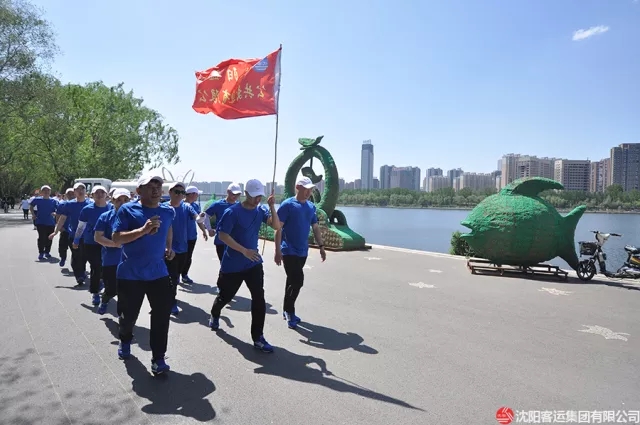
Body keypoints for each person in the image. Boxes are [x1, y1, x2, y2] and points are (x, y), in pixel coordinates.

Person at [112, 174, 176, 375]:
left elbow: (168, 229)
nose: (155, 189)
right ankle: (125, 339)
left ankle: (158, 359)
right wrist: (143, 230)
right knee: (128, 317)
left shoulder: (168, 211)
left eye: (158, 185)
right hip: (131, 274)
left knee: (161, 317)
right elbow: (116, 238)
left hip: (158, 273)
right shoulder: (127, 210)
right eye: (150, 186)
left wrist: (169, 247)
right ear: (139, 190)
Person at [207, 179, 281, 353]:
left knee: (259, 298)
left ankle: (258, 337)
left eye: (260, 196)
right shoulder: (232, 212)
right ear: (246, 194)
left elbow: (276, 226)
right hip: (233, 264)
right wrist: (243, 251)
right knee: (225, 296)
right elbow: (223, 236)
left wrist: (272, 206)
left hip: (253, 262)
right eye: (254, 196)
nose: (257, 199)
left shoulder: (261, 210)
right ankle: (215, 313)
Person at [274, 177, 327, 329]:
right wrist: (277, 250)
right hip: (288, 249)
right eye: (306, 189)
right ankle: (290, 312)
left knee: (291, 281)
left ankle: (286, 309)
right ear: (298, 187)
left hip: (303, 251)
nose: (309, 192)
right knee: (298, 281)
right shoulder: (288, 205)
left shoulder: (311, 206)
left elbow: (315, 227)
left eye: (311, 189)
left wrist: (321, 246)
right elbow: (278, 228)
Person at [164, 182, 207, 315]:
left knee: (176, 276)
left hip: (183, 248)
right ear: (170, 192)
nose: (180, 195)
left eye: (182, 192)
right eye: (177, 192)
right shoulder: (163, 208)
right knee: (171, 277)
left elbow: (197, 218)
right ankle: (171, 302)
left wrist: (202, 219)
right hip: (168, 249)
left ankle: (168, 296)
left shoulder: (187, 207)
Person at [74, 185, 113, 305]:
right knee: (96, 266)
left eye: (102, 192)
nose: (100, 195)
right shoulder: (87, 209)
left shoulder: (112, 208)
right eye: (97, 193)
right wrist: (76, 240)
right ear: (92, 195)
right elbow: (81, 226)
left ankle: (103, 283)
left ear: (106, 194)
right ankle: (95, 292)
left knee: (106, 268)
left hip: (108, 243)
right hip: (91, 243)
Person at [94, 188, 130, 315]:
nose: (122, 203)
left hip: (129, 260)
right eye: (119, 200)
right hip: (110, 260)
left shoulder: (134, 216)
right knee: (111, 289)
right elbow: (98, 237)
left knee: (126, 291)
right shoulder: (105, 217)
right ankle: (105, 300)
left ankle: (124, 317)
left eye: (125, 200)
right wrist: (115, 244)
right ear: (113, 200)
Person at [50, 183, 90, 285]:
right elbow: (62, 218)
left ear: (85, 191)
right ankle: (79, 276)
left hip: (88, 236)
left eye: (82, 189)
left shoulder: (91, 203)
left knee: (84, 256)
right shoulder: (69, 204)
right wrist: (56, 231)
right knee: (76, 256)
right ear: (74, 192)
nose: (80, 191)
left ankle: (82, 272)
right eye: (78, 189)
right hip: (74, 235)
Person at [203, 183, 242, 261]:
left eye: (238, 194)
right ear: (228, 192)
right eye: (233, 194)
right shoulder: (218, 204)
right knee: (224, 264)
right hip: (221, 241)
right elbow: (205, 215)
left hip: (235, 242)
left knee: (235, 265)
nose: (235, 196)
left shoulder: (239, 206)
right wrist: (209, 229)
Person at [181, 185, 203, 283]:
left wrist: (204, 231)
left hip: (191, 236)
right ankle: (175, 275)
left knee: (188, 256)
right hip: (180, 236)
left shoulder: (196, 206)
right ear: (192, 194)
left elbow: (199, 220)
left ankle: (184, 275)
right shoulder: (179, 204)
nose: (197, 196)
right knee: (179, 256)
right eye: (197, 194)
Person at [30, 185, 59, 260]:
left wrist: (55, 213)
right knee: (41, 237)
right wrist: (33, 214)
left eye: (48, 190)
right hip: (40, 222)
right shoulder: (37, 199)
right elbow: (31, 206)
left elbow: (58, 210)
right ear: (41, 192)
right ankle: (41, 252)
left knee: (49, 238)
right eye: (44, 190)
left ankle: (47, 251)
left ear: (50, 191)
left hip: (51, 223)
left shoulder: (54, 201)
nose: (46, 192)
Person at [56, 188, 75, 267]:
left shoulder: (79, 204)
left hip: (74, 231)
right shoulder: (62, 204)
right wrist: (60, 227)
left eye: (72, 193)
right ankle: (63, 258)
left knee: (75, 250)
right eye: (69, 193)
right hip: (65, 230)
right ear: (66, 195)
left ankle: (75, 265)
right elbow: (58, 216)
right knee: (62, 247)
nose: (71, 195)